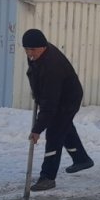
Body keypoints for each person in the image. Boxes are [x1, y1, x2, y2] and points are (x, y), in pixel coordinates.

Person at [22, 29, 94, 191]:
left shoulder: (53, 66)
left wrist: (37, 129)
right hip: (57, 95)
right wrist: (37, 92)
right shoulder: (38, 54)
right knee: (64, 127)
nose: (29, 53)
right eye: (26, 49)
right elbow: (35, 74)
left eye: (33, 50)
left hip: (67, 99)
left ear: (43, 47)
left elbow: (50, 104)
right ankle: (82, 159)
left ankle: (47, 177)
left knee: (55, 133)